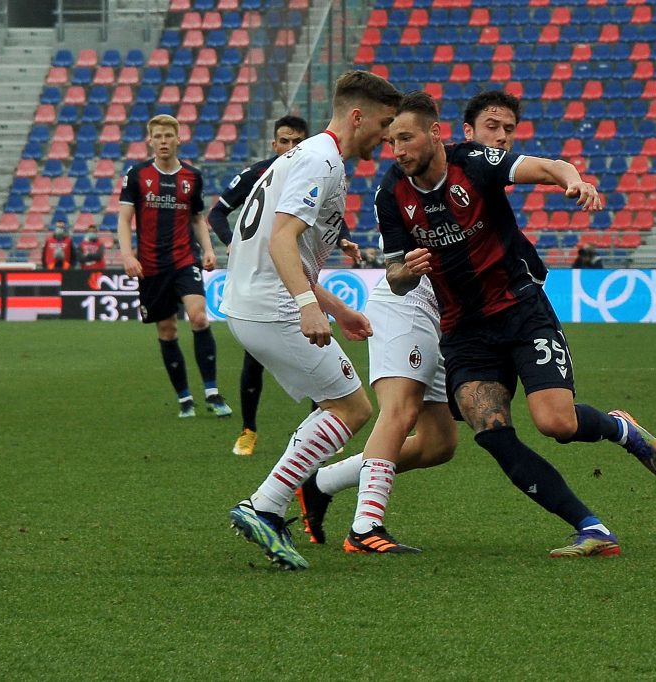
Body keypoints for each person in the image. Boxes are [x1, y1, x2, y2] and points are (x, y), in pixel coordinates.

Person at [376, 92, 656, 558]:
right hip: (463, 328)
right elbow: (394, 276)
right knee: (492, 432)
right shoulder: (391, 192)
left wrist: (575, 182)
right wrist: (406, 272)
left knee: (556, 423)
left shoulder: (474, 163)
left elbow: (549, 167)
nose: (397, 150)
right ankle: (591, 528)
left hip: (519, 309)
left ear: (435, 133)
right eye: (392, 141)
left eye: (406, 138)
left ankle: (620, 428)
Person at [295, 89, 524, 554]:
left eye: (508, 130)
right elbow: (398, 269)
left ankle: (321, 483)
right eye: (491, 128)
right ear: (462, 133)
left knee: (439, 444)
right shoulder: (411, 177)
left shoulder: (481, 176)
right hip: (409, 302)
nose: (500, 137)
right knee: (398, 412)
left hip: (448, 317)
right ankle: (365, 528)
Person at [222, 70, 402, 570]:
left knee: (339, 403)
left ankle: (268, 506)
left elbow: (283, 248)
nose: (386, 136)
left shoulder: (309, 156)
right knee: (352, 408)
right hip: (272, 306)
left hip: (256, 300)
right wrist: (306, 305)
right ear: (357, 116)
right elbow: (281, 241)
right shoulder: (321, 160)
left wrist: (336, 308)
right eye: (384, 124)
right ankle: (265, 506)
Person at [207, 115, 360, 457]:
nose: (290, 146)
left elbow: (326, 214)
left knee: (322, 362)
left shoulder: (309, 167)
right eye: (285, 141)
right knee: (261, 363)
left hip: (289, 279)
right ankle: (249, 430)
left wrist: (344, 240)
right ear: (274, 143)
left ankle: (316, 434)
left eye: (296, 141)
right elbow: (217, 214)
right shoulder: (263, 172)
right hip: (267, 285)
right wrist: (233, 244)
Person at [117, 113, 232, 419]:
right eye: (158, 137)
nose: (164, 141)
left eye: (169, 136)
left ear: (178, 139)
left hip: (184, 258)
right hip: (151, 265)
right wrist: (127, 255)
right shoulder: (137, 175)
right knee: (167, 330)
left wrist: (208, 249)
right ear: (150, 141)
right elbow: (124, 219)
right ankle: (185, 399)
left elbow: (197, 218)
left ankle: (212, 392)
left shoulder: (192, 177)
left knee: (199, 317)